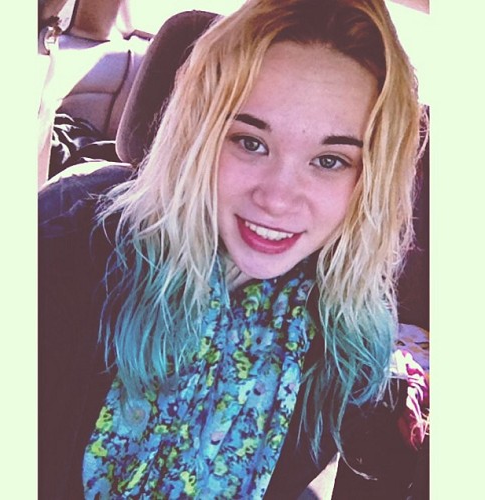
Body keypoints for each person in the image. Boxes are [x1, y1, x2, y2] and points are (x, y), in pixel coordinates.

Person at [39, 0, 428, 498]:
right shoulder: (68, 259)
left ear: (371, 178)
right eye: (250, 142)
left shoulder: (349, 346)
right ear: (199, 133)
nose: (278, 198)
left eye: (330, 160)